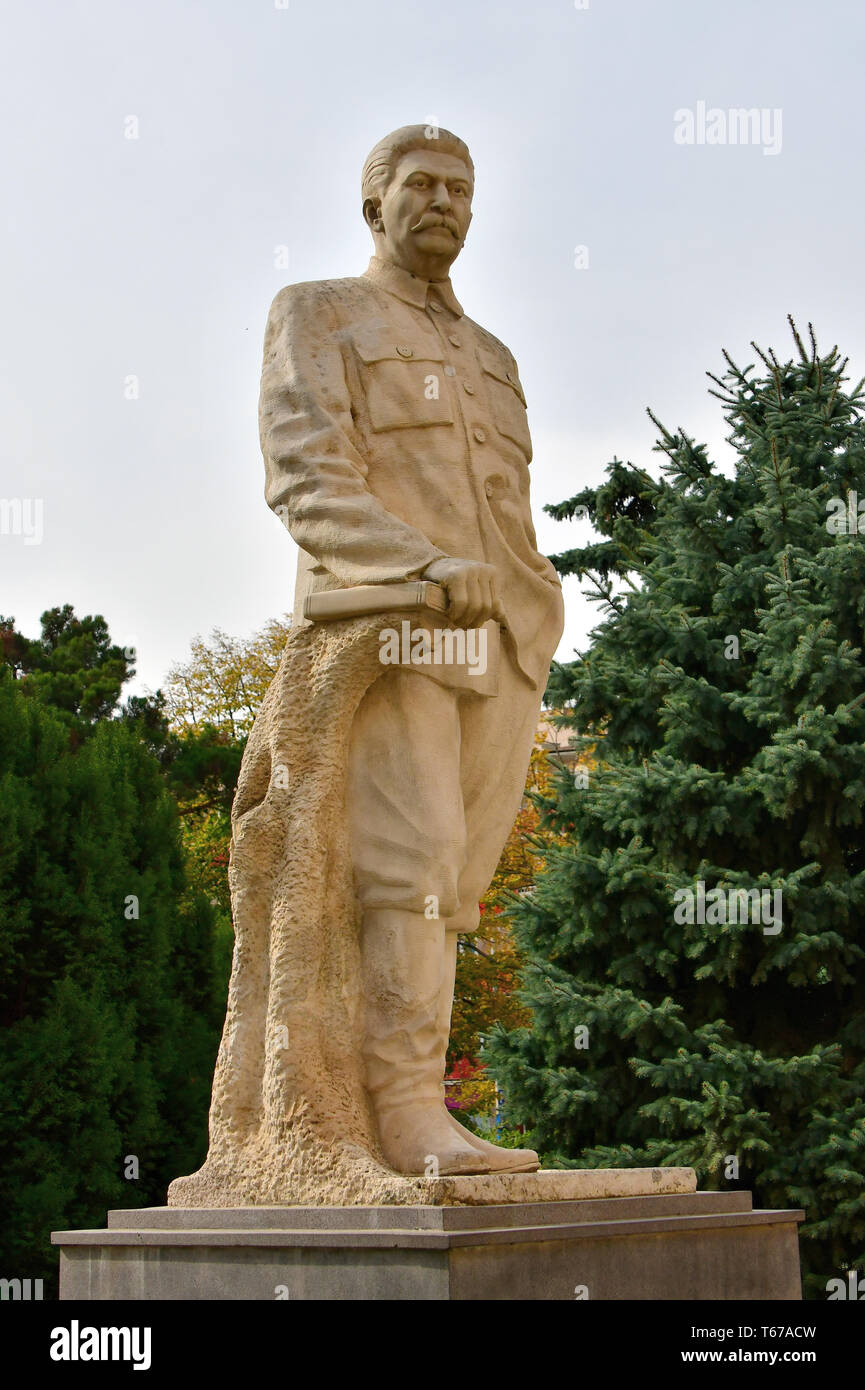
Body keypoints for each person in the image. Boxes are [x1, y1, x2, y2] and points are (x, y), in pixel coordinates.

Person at [258, 125, 564, 1175]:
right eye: (422, 185)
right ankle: (401, 1116)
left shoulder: (492, 358)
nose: (444, 202)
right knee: (410, 868)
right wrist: (421, 563)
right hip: (391, 626)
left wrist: (533, 596)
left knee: (456, 886)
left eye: (462, 190)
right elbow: (307, 475)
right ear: (372, 205)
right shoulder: (321, 313)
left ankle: (412, 1102)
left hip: (505, 641)